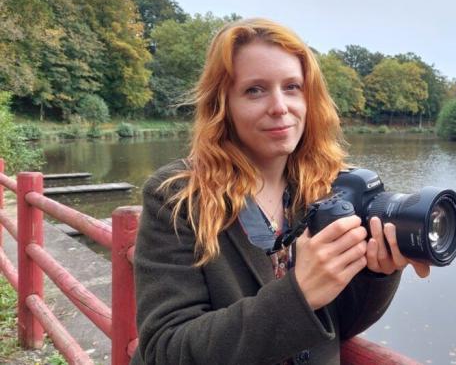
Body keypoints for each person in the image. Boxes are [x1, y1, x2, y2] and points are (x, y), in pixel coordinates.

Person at [132, 18, 429, 365]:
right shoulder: (179, 197)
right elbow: (165, 350)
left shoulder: (325, 189)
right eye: (255, 90)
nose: (279, 106)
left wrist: (376, 273)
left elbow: (335, 325)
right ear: (222, 105)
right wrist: (298, 294)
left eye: (292, 87)